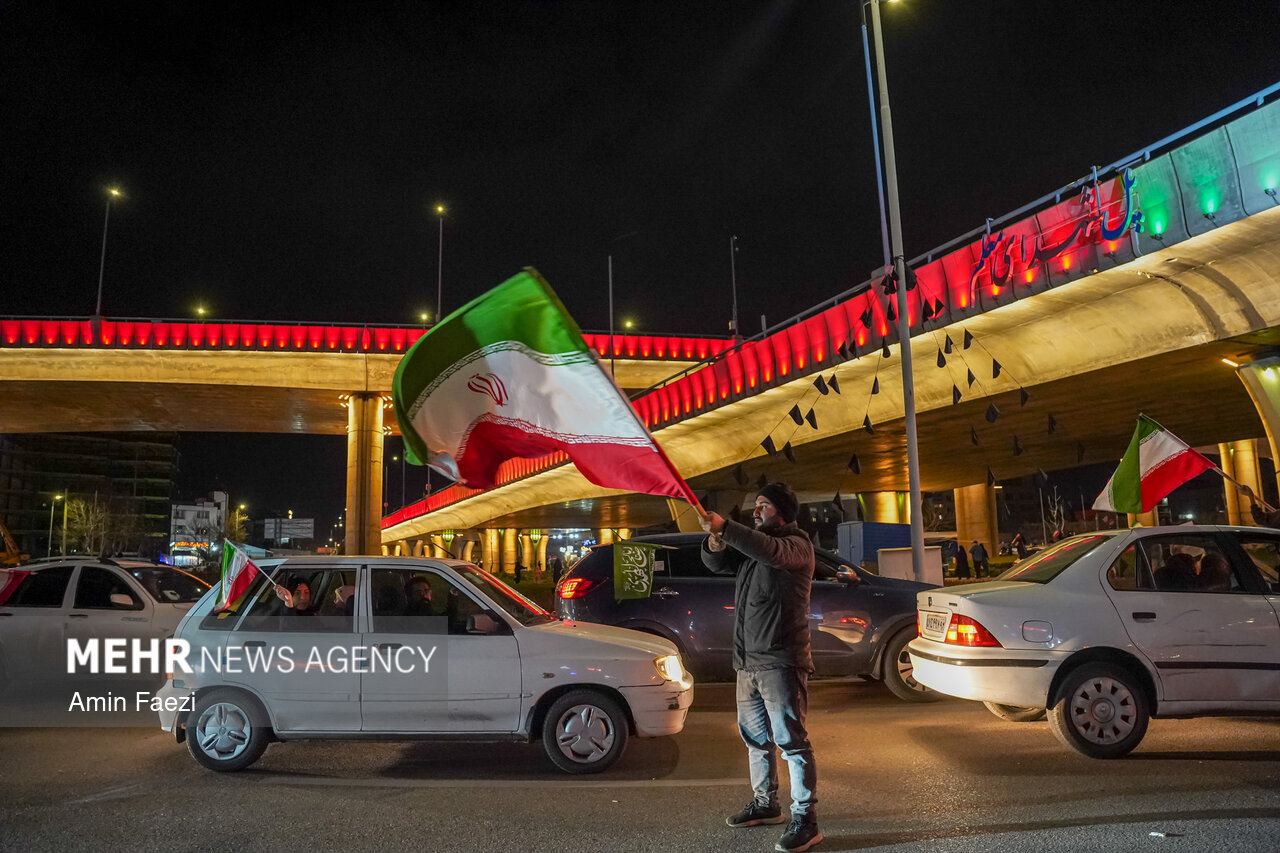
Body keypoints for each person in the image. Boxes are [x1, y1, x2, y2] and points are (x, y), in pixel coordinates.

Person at [699, 482, 822, 853]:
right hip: (748, 662)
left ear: (783, 512)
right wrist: (716, 540)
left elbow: (769, 551)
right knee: (755, 740)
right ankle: (766, 804)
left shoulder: (795, 545)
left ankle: (806, 820)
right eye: (756, 505)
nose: (755, 511)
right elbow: (717, 563)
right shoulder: (754, 549)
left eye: (764, 505)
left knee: (791, 743)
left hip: (781, 660)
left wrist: (726, 528)